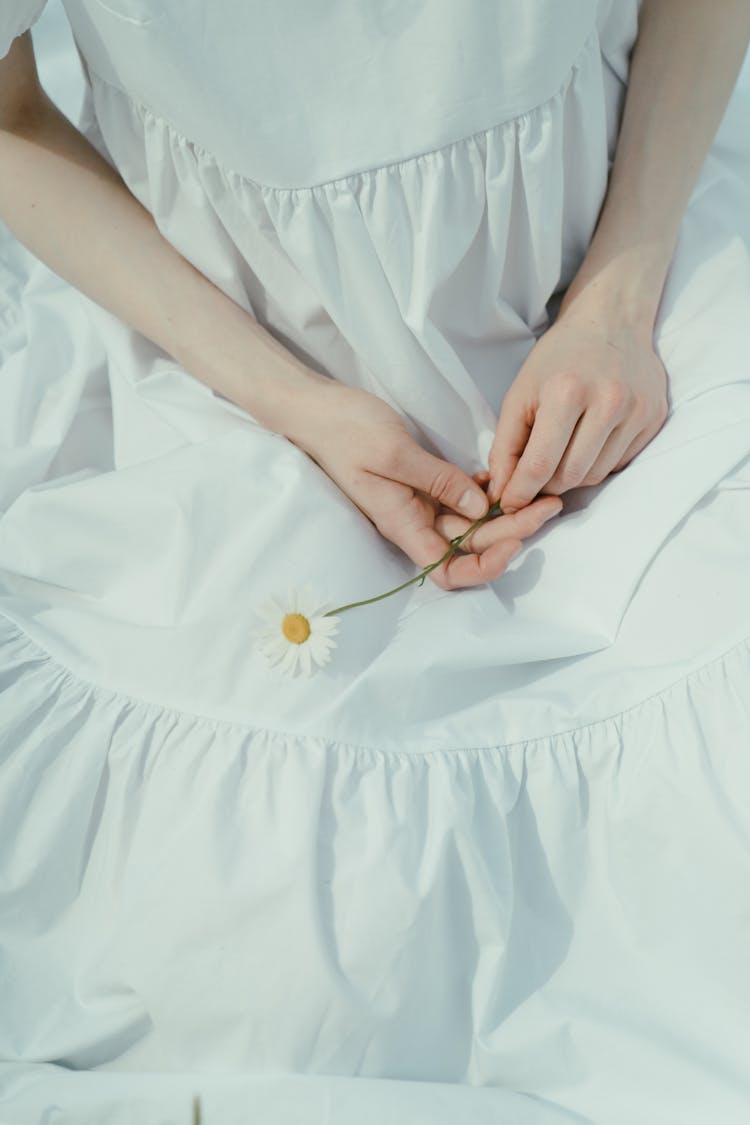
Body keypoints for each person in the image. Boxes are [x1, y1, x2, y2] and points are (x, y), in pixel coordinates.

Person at [1, 3, 750, 1123]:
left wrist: (615, 305)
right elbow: (10, 111)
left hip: (622, 259)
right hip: (232, 349)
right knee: (272, 980)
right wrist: (300, 409)